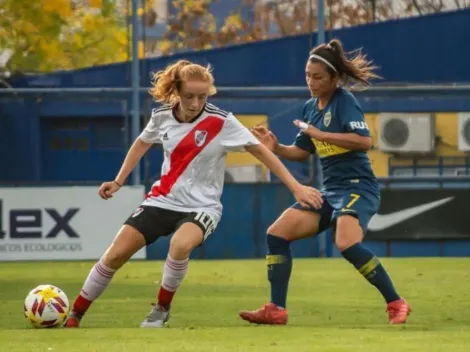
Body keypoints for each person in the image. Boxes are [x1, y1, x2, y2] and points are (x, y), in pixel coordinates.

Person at [64, 59, 323, 328]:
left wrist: (296, 187)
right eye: (189, 96)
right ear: (177, 91)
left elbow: (261, 151)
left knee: (179, 245)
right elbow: (141, 143)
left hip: (202, 207)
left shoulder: (221, 121)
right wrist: (119, 181)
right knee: (115, 255)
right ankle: (75, 315)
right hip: (161, 200)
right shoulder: (161, 116)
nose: (196, 103)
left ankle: (161, 309)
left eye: (202, 96)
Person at [239, 39, 411, 325]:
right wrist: (276, 147)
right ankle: (276, 309)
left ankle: (396, 302)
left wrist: (321, 135)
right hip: (330, 192)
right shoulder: (310, 108)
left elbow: (363, 141)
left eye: (317, 76)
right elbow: (301, 152)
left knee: (345, 242)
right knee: (277, 234)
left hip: (358, 187)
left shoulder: (345, 101)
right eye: (308, 75)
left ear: (334, 78)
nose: (311, 81)